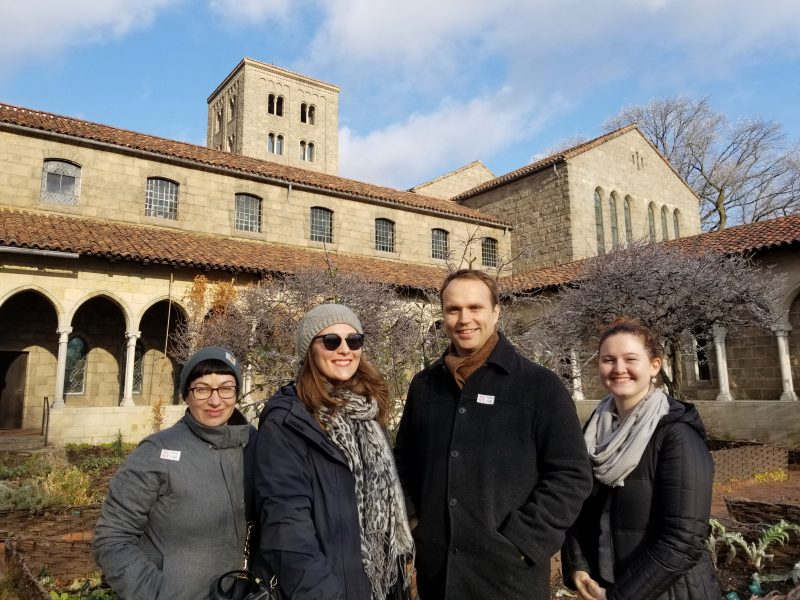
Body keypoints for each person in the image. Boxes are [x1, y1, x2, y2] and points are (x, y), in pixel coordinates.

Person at [393, 269, 593, 599]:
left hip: (509, 578)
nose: (463, 319)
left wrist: (522, 541)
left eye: (475, 308)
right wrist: (417, 523)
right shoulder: (425, 386)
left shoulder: (539, 387)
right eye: (453, 309)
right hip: (439, 574)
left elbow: (571, 475)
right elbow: (405, 460)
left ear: (496, 312)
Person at [253, 303, 414, 600]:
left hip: (380, 587)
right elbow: (286, 528)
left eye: (354, 340)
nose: (344, 349)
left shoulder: (367, 412)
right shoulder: (288, 421)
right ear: (309, 351)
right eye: (331, 341)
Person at [561, 318, 721, 600]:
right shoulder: (593, 432)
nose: (618, 369)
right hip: (606, 583)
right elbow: (577, 506)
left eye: (630, 359)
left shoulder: (676, 436)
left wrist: (619, 597)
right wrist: (578, 565)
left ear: (654, 366)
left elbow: (683, 540)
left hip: (669, 593)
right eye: (608, 360)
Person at [93, 346, 256, 600]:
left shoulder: (256, 447)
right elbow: (112, 537)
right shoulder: (156, 452)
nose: (215, 400)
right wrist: (154, 593)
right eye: (202, 389)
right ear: (186, 396)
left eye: (226, 388)